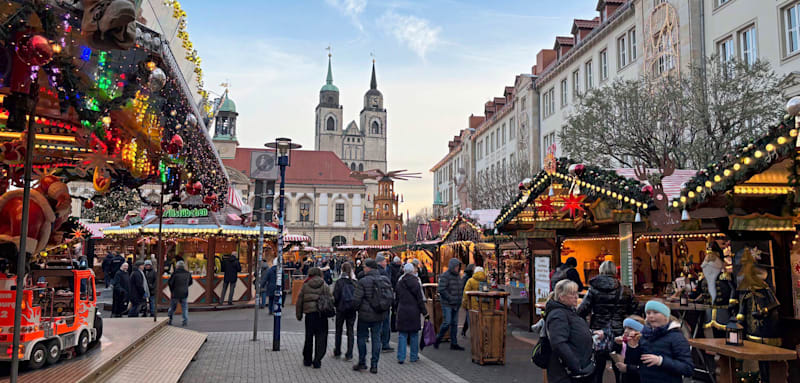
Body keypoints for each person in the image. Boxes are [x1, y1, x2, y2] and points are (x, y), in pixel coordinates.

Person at [577, 260, 637, 383]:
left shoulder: (593, 289)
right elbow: (634, 310)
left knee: (597, 368)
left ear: (600, 271)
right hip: (619, 331)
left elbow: (581, 311)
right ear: (615, 271)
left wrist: (587, 327)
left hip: (599, 332)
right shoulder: (625, 290)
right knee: (619, 365)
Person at [625, 300, 693, 383]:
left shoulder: (676, 337)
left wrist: (661, 361)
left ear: (665, 316)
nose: (651, 316)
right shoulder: (645, 335)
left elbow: (688, 369)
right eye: (648, 313)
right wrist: (633, 347)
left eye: (655, 312)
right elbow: (634, 362)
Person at [546, 279, 595, 383]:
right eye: (572, 294)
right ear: (561, 297)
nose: (576, 296)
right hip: (566, 374)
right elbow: (559, 343)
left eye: (576, 293)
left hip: (576, 370)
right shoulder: (558, 315)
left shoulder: (567, 311)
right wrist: (576, 366)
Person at [352, 258, 390, 374]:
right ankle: (374, 365)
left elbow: (357, 300)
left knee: (362, 338)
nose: (363, 268)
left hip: (364, 315)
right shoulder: (384, 279)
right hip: (379, 314)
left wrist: (356, 309)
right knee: (376, 339)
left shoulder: (363, 281)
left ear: (369, 268)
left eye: (364, 267)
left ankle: (362, 362)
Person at [296, 267, 331, 369]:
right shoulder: (324, 285)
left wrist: (299, 315)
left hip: (310, 315)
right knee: (321, 338)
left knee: (309, 337)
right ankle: (317, 360)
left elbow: (299, 300)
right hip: (322, 315)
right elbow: (330, 299)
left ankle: (307, 359)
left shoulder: (306, 285)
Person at [395, 263, 427, 364]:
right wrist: (425, 313)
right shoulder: (416, 282)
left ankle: (401, 357)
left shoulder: (399, 283)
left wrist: (395, 309)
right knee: (414, 334)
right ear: (412, 271)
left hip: (402, 309)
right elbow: (420, 300)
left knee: (402, 334)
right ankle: (413, 356)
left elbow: (397, 298)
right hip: (414, 311)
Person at [434, 258, 464, 350]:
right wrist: (450, 298)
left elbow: (460, 288)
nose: (458, 268)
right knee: (447, 322)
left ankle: (454, 343)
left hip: (456, 303)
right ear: (452, 266)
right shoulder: (445, 276)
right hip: (447, 303)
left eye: (458, 266)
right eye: (456, 266)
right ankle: (438, 339)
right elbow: (441, 289)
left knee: (454, 323)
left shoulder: (458, 276)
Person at [333, 262, 357, 361]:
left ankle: (337, 350)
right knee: (350, 331)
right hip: (351, 309)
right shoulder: (355, 282)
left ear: (341, 270)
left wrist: (336, 305)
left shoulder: (339, 282)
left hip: (340, 309)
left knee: (338, 330)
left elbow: (335, 296)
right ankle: (349, 353)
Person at [613, 316, 645, 383]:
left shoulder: (645, 345)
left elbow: (645, 369)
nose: (626, 331)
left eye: (630, 328)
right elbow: (617, 362)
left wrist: (628, 368)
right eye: (625, 328)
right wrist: (617, 345)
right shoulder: (624, 344)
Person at [375, 254, 393, 353]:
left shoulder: (374, 272)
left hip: (375, 302)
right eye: (385, 261)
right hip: (384, 302)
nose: (386, 263)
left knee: (378, 324)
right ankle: (385, 344)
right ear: (381, 262)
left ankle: (377, 343)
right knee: (385, 323)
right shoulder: (384, 273)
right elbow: (387, 288)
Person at [168, 260, 193, 326]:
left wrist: (172, 290)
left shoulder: (175, 274)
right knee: (184, 307)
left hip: (175, 293)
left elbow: (170, 283)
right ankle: (185, 320)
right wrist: (185, 287)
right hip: (184, 292)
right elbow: (190, 282)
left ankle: (169, 319)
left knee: (173, 307)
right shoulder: (188, 273)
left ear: (177, 266)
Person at [460, 264, 476, 336]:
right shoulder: (467, 278)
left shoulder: (467, 277)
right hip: (467, 298)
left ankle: (464, 330)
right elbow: (464, 288)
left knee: (468, 315)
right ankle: (471, 332)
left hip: (468, 298)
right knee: (468, 315)